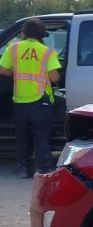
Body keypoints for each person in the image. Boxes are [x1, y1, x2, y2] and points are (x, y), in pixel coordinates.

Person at [0, 18, 61, 178]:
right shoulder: (47, 52)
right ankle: (43, 170)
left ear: (23, 33)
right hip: (40, 102)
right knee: (41, 137)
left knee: (22, 138)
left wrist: (16, 72)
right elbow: (54, 77)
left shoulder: (12, 48)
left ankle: (23, 169)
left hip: (19, 101)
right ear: (42, 35)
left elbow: (2, 70)